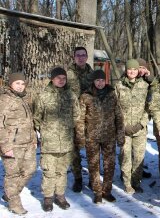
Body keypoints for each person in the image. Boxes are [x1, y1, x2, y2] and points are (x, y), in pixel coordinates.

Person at [33, 67, 80, 212]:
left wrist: (67, 127)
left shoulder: (71, 95)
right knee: (49, 171)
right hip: (49, 143)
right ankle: (48, 198)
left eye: (63, 78)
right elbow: (37, 117)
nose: (61, 80)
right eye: (58, 78)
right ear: (52, 79)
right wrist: (45, 131)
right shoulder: (43, 96)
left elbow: (76, 115)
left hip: (66, 141)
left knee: (62, 171)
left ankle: (60, 196)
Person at [75, 70, 124, 204]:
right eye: (97, 80)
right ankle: (97, 191)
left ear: (105, 81)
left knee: (110, 165)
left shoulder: (112, 94)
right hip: (92, 137)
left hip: (109, 136)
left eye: (102, 80)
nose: (100, 83)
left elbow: (119, 116)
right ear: (93, 81)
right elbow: (80, 119)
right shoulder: (86, 96)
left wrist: (120, 135)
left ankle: (107, 191)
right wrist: (80, 137)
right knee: (93, 165)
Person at [0, 73, 37, 214]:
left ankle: (10, 193)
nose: (20, 86)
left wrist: (34, 139)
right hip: (12, 144)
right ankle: (14, 204)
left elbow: (30, 121)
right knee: (13, 175)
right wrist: (5, 147)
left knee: (30, 170)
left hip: (27, 142)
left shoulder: (25, 98)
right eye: (17, 83)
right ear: (11, 84)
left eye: (22, 83)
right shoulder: (4, 99)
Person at [114, 59, 149, 194]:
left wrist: (141, 124)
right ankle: (127, 182)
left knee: (139, 157)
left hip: (140, 129)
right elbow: (115, 107)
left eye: (135, 69)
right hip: (124, 129)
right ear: (126, 70)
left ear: (138, 71)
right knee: (125, 156)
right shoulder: (119, 86)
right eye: (130, 69)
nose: (132, 72)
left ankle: (136, 181)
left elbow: (148, 107)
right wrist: (123, 125)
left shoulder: (145, 86)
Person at [67, 46, 94, 192]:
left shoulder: (93, 74)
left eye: (83, 55)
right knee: (74, 150)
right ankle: (78, 178)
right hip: (73, 117)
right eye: (78, 55)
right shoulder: (67, 74)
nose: (81, 57)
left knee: (91, 149)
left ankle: (92, 178)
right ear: (74, 57)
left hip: (90, 116)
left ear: (87, 56)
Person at [136, 58, 153, 179]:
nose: (140, 70)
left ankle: (138, 170)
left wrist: (149, 77)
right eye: (138, 68)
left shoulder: (148, 80)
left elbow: (156, 87)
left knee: (140, 149)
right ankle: (126, 172)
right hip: (129, 119)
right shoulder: (128, 77)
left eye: (143, 68)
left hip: (143, 117)